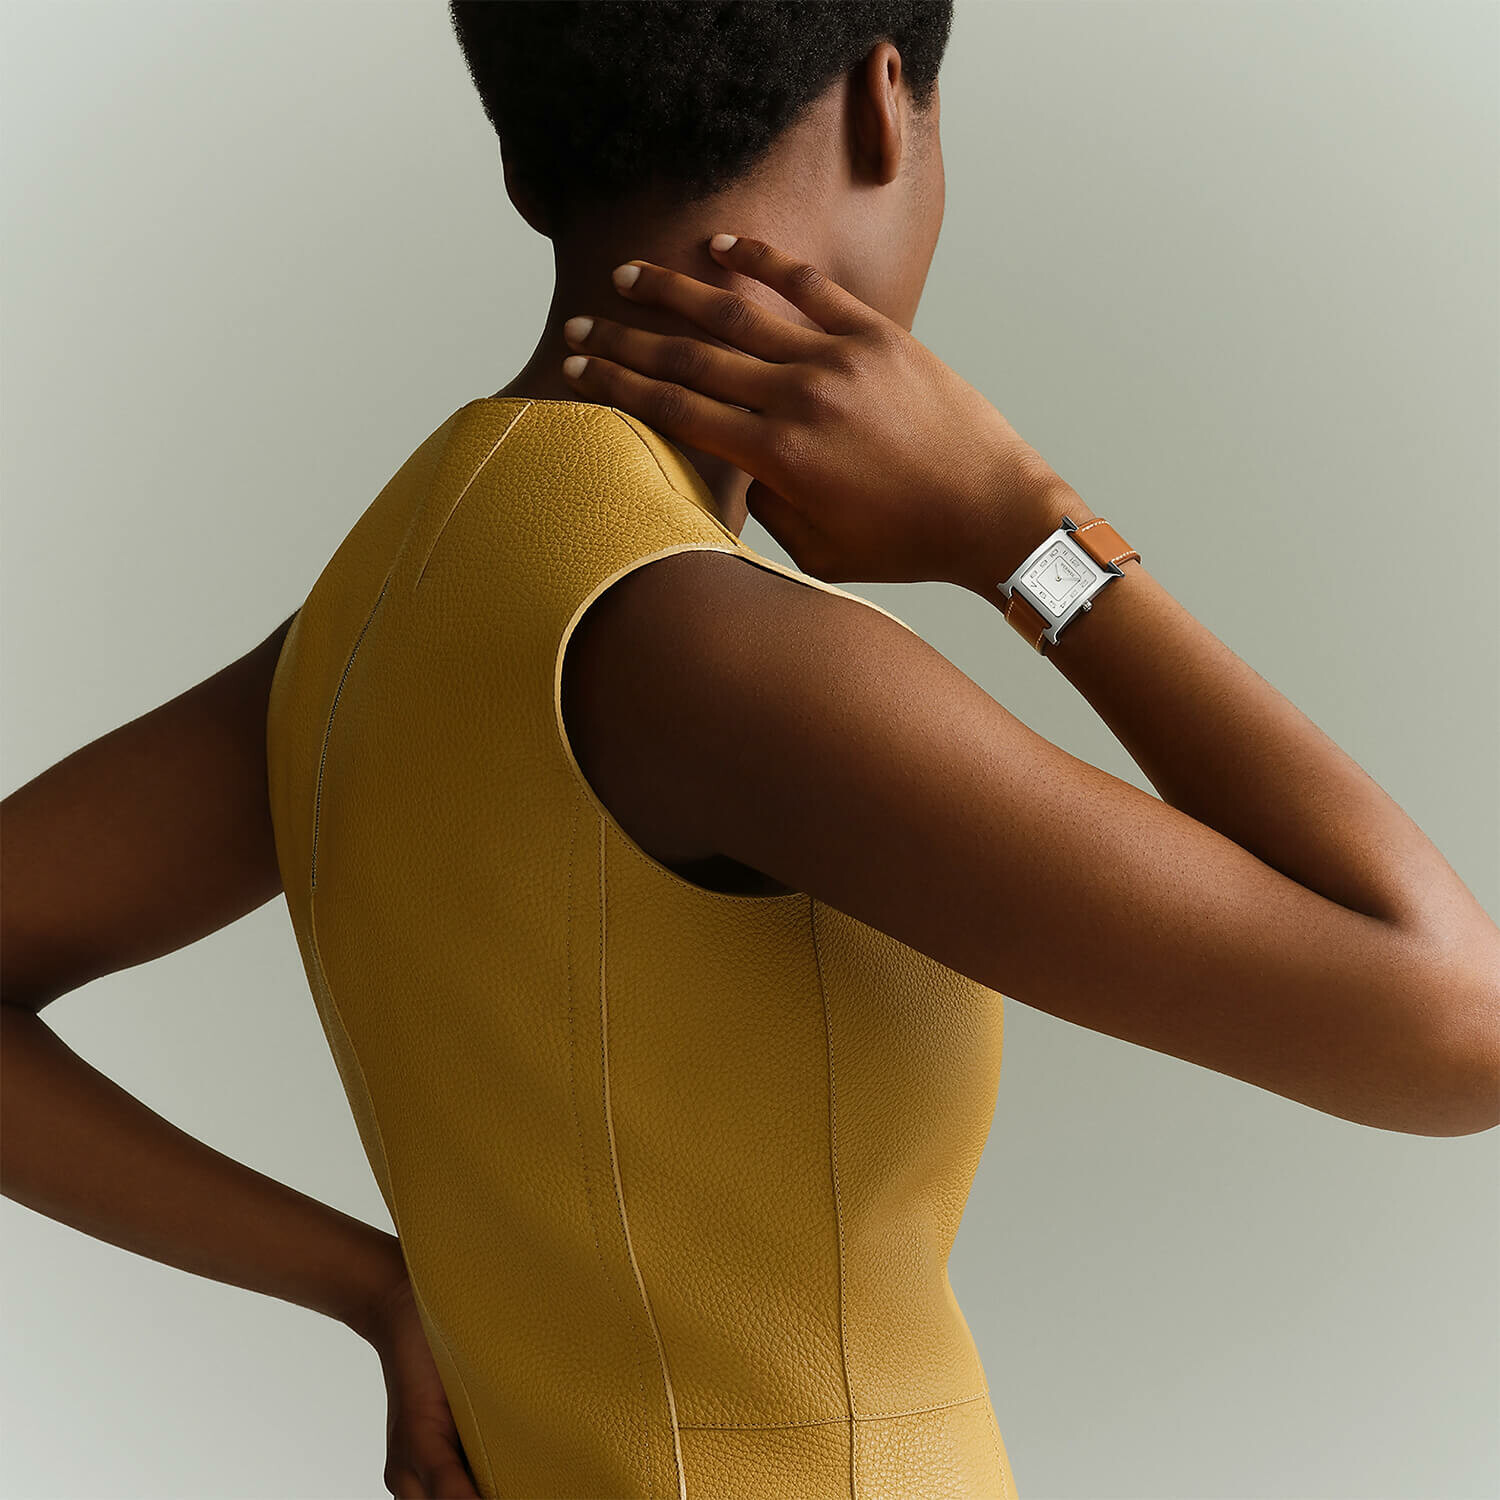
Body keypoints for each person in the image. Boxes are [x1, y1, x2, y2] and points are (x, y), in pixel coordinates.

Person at [3, 3, 1498, 1498]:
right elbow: (1456, 1031)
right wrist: (1027, 528)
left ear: (525, 166)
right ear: (884, 102)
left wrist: (381, 1285)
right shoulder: (711, 655)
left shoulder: (385, 600)